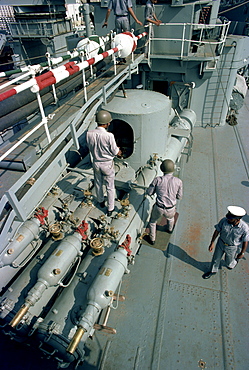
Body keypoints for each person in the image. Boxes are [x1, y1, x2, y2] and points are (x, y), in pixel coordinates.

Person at [86, 110, 121, 217]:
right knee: (110, 187)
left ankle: (100, 201)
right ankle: (110, 208)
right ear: (107, 123)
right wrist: (119, 151)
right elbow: (115, 152)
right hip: (107, 164)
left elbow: (90, 147)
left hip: (96, 163)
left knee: (98, 183)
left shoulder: (89, 134)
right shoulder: (109, 136)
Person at [202, 206, 249, 279]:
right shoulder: (224, 221)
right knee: (215, 258)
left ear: (237, 219)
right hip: (221, 243)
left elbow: (245, 241)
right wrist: (212, 242)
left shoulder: (244, 228)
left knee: (229, 264)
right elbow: (217, 230)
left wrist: (242, 253)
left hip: (232, 247)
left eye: (231, 218)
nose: (228, 219)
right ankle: (212, 271)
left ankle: (234, 261)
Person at [146, 159, 183, 245]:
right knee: (170, 218)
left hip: (159, 207)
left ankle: (152, 239)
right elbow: (179, 196)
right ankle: (169, 229)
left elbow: (149, 192)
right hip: (171, 208)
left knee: (152, 221)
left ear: (162, 169)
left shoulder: (157, 180)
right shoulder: (178, 181)